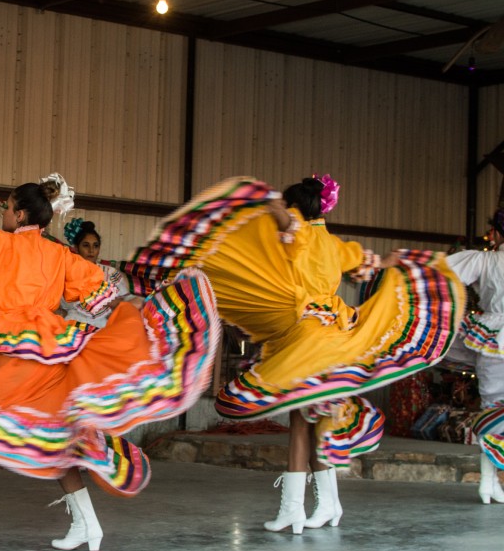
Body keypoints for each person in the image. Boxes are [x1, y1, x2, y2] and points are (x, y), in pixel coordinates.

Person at [0, 175, 220, 551]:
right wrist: (142, 312)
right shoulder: (60, 256)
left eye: (7, 208)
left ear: (18, 214)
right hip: (52, 349)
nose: (3, 215)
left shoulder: (0, 243)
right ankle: (88, 525)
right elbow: (104, 299)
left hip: (17, 349)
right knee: (56, 438)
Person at [124, 174, 464, 533]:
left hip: (309, 341)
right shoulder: (337, 246)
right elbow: (373, 263)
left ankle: (301, 509)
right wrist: (397, 260)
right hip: (333, 336)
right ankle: (317, 506)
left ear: (295, 206)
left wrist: (262, 198)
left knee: (307, 426)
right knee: (307, 425)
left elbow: (286, 222)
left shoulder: (298, 229)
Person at [443, 209, 504, 504]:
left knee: (492, 409)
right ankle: (492, 483)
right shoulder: (486, 259)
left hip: (492, 339)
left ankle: (488, 482)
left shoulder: (485, 260)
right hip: (493, 335)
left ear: (496, 233)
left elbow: (440, 274)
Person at [61, 218, 143, 328]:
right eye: (86, 245)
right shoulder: (66, 272)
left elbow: (125, 300)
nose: (91, 250)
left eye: (95, 246)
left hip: (105, 325)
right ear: (76, 248)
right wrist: (106, 300)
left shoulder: (110, 272)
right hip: (74, 324)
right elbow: (61, 303)